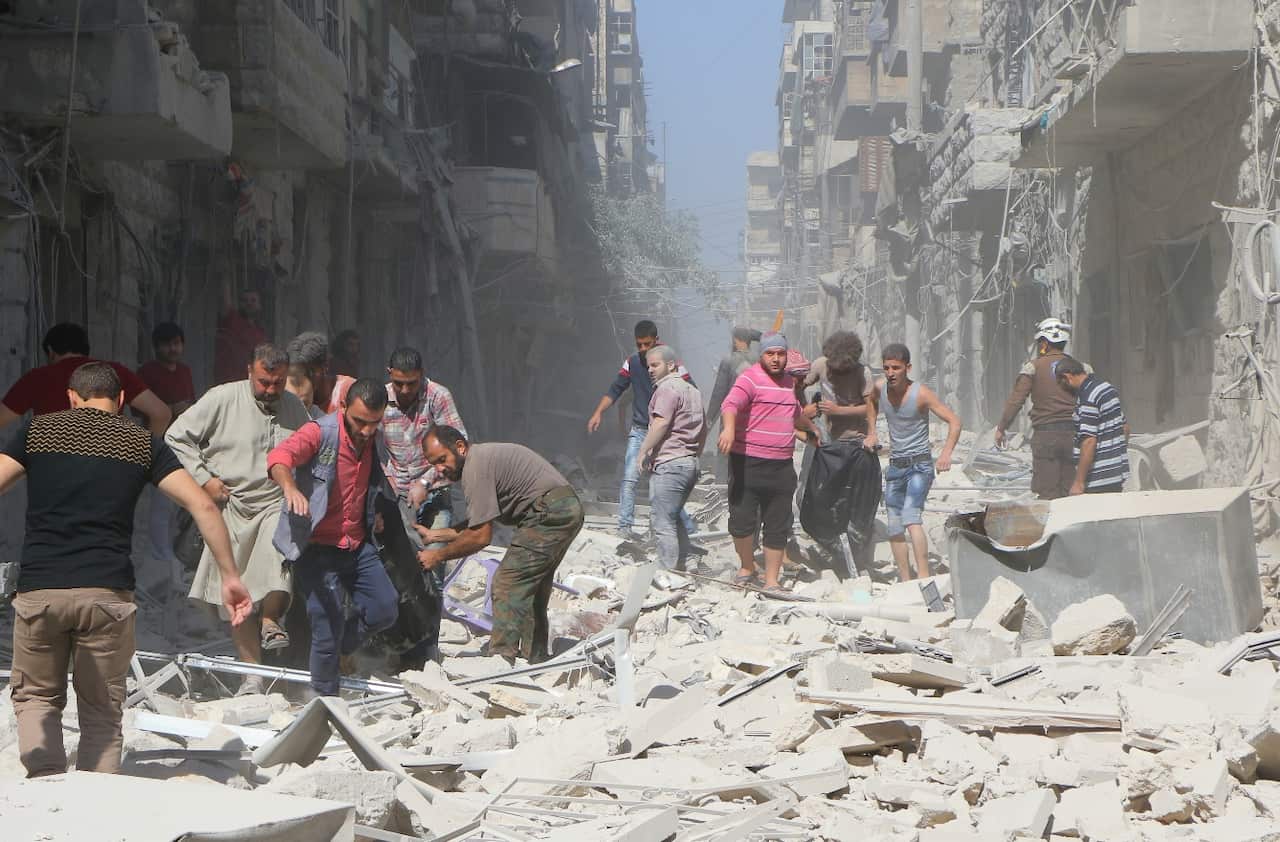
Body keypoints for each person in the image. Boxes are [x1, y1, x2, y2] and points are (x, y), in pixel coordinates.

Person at [0, 362, 251, 778]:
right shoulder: (140, 442)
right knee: (102, 710)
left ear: (71, 397)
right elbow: (203, 505)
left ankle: (45, 780)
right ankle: (98, 804)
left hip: (41, 591)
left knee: (37, 699)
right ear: (119, 401)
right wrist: (230, 577)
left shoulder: (38, 431)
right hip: (108, 595)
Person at [165, 344, 311, 687]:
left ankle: (271, 621)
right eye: (264, 382)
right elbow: (175, 437)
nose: (271, 390)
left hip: (274, 503)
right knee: (240, 594)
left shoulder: (293, 406)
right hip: (230, 507)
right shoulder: (221, 399)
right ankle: (252, 677)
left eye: (277, 383)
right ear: (249, 371)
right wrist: (203, 480)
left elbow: (310, 449)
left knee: (278, 564)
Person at [268, 378, 399, 696]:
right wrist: (290, 488)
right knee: (325, 624)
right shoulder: (320, 432)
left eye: (374, 423)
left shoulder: (373, 439)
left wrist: (376, 510)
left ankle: (340, 645)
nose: (367, 430)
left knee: (385, 608)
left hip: (356, 545)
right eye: (360, 421)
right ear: (343, 409)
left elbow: (375, 477)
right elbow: (279, 458)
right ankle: (324, 699)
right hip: (316, 549)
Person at [417, 427, 584, 664]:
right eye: (434, 464)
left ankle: (500, 659)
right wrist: (435, 536)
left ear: (460, 447)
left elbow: (480, 536)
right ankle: (533, 657)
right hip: (562, 508)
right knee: (530, 586)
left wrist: (437, 557)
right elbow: (479, 522)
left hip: (549, 514)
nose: (440, 469)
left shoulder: (475, 468)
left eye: (443, 460)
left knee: (507, 583)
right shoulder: (480, 460)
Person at [375, 346, 468, 670]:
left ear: (421, 378)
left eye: (411, 384)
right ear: (390, 375)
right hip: (396, 499)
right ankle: (400, 648)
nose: (404, 391)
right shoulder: (379, 399)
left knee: (433, 572)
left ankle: (427, 653)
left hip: (435, 497)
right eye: (398, 383)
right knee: (398, 575)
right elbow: (366, 443)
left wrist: (426, 482)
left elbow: (459, 443)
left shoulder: (438, 397)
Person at [718, 333, 819, 594]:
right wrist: (728, 430)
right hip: (747, 463)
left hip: (781, 467)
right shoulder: (749, 378)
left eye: (780, 354)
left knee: (777, 525)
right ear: (761, 355)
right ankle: (747, 567)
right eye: (770, 354)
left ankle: (772, 581)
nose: (776, 359)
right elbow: (730, 404)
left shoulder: (788, 384)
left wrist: (811, 432)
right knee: (741, 523)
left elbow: (793, 413)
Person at [586, 320, 695, 540]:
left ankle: (688, 530)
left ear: (656, 340)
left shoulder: (671, 361)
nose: (644, 350)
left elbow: (690, 389)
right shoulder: (632, 363)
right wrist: (598, 412)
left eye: (647, 344)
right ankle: (625, 527)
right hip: (640, 430)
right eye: (639, 345)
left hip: (666, 434)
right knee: (629, 479)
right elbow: (615, 389)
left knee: (664, 484)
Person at [869, 344, 962, 582]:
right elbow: (870, 403)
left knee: (911, 517)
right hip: (896, 465)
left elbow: (954, 421)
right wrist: (872, 432)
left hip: (919, 466)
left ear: (907, 368)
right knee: (893, 523)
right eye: (887, 367)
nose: (890, 373)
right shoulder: (880, 388)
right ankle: (905, 579)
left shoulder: (921, 394)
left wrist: (945, 454)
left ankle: (923, 577)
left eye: (896, 368)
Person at [798, 331, 882, 578]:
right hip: (826, 445)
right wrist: (804, 412)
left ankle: (853, 558)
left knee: (854, 503)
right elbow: (796, 387)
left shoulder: (862, 373)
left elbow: (870, 408)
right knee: (815, 499)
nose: (836, 375)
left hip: (855, 444)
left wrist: (840, 411)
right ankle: (833, 548)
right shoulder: (820, 366)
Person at [0, 322, 171, 436]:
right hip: (107, 473)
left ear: (51, 351)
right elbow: (161, 414)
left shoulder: (36, 378)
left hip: (53, 474)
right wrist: (143, 460)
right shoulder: (114, 372)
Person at [994, 318, 1087, 499]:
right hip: (1075, 436)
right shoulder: (1082, 368)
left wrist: (1002, 428)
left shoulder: (1032, 367)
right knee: (1072, 489)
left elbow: (1016, 400)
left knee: (1047, 491)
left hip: (1046, 437)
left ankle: (1053, 526)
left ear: (1044, 343)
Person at [637, 345, 706, 572]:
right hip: (690, 463)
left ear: (671, 365)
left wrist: (643, 450)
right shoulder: (693, 391)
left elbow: (661, 423)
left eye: (655, 365)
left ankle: (668, 570)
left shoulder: (667, 389)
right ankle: (686, 562)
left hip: (670, 463)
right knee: (674, 517)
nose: (650, 370)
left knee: (663, 521)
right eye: (649, 366)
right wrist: (695, 453)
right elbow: (703, 429)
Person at [1056, 357, 1130, 495]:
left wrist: (1079, 483)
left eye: (1061, 384)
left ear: (1067, 377)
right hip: (1115, 474)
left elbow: (1089, 441)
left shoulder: (1087, 398)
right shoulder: (1106, 388)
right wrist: (1113, 455)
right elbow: (1125, 428)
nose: (1063, 390)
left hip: (1097, 480)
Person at [706, 327, 761, 484]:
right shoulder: (759, 361)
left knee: (725, 452)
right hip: (754, 416)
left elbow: (719, 392)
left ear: (736, 340)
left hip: (730, 414)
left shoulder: (729, 360)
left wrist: (709, 419)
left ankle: (722, 487)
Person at [137, 322, 196, 421]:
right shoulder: (146, 372)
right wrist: (170, 409)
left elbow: (191, 402)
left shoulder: (185, 371)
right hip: (158, 432)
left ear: (182, 345)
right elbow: (137, 409)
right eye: (166, 344)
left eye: (176, 343)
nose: (172, 349)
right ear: (156, 348)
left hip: (184, 431)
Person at [287, 331, 354, 416]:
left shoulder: (349, 391)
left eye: (310, 374)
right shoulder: (288, 393)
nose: (304, 382)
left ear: (325, 367)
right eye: (297, 378)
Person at [215, 288, 268, 385]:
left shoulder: (261, 332)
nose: (249, 303)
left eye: (253, 300)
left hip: (251, 383)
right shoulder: (232, 320)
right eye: (245, 300)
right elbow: (225, 299)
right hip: (229, 382)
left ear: (260, 305)